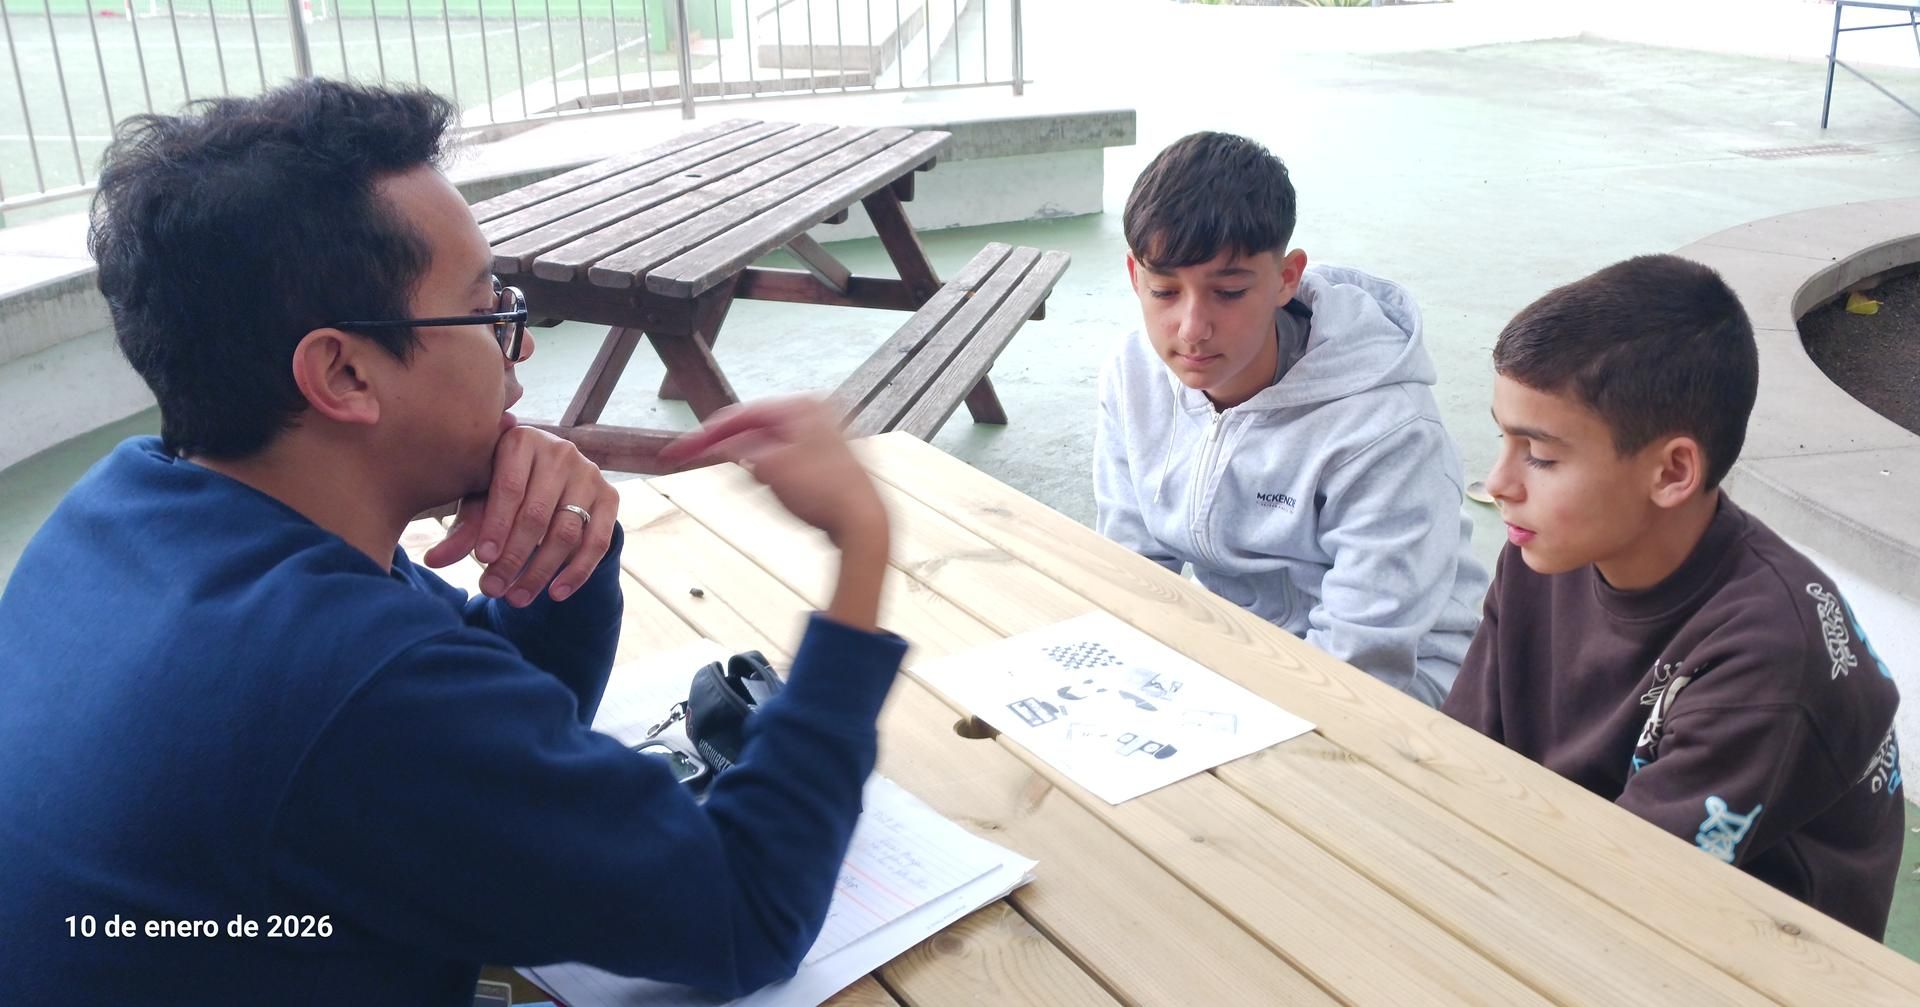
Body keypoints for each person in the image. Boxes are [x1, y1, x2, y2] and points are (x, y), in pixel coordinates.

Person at [0, 80, 905, 1003]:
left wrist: (559, 556)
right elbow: (748, 912)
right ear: (344, 373)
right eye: (487, 310)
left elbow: (477, 749)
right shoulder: (353, 675)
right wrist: (863, 547)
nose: (521, 346)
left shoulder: (124, 507)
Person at [1443, 254, 1903, 937]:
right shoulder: (1544, 551)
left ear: (1672, 472)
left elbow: (1622, 897)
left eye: (1541, 455)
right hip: (1571, 883)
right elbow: (1460, 760)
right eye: (1503, 439)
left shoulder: (1769, 653)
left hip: (1733, 954)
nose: (1500, 482)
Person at [1095, 131, 1487, 706]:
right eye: (1163, 291)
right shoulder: (1134, 374)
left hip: (1403, 683)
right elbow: (1133, 567)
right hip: (1237, 647)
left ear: (1287, 278)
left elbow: (1362, 663)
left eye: (1229, 292)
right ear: (1135, 276)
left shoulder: (1387, 430)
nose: (1192, 329)